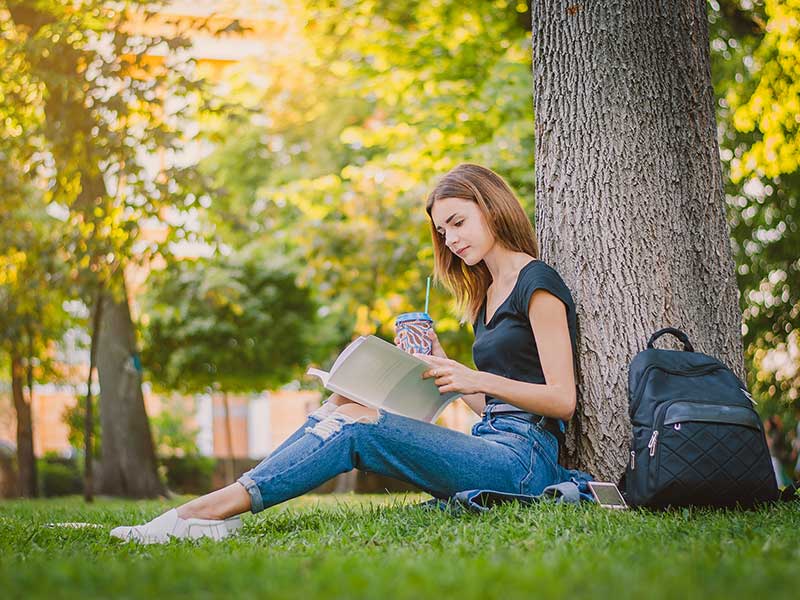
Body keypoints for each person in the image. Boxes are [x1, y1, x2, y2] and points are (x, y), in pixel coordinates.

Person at [111, 163, 591, 544]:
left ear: (491, 208)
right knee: (340, 405)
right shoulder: (486, 297)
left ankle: (203, 511)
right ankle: (223, 507)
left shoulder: (538, 283)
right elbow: (494, 406)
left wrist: (475, 377)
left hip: (524, 460)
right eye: (443, 231)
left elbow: (562, 400)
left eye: (458, 222)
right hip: (492, 440)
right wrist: (441, 367)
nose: (451, 239)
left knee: (357, 426)